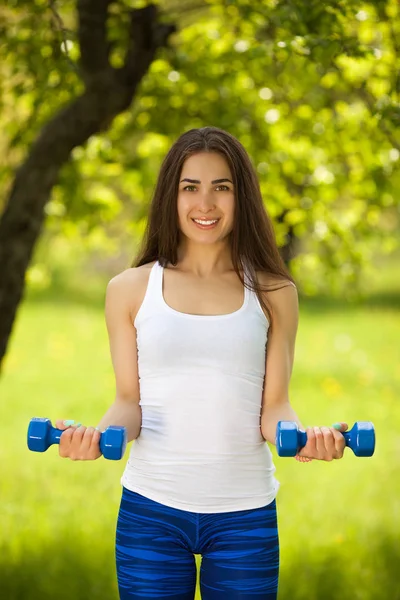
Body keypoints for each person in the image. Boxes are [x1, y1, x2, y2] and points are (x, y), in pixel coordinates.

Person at [56, 126, 348, 599]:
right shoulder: (129, 290)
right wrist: (93, 437)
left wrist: (306, 440)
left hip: (245, 513)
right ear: (171, 196)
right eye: (190, 187)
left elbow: (274, 408)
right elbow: (129, 402)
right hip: (151, 510)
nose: (205, 204)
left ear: (242, 197)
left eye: (222, 188)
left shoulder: (275, 293)